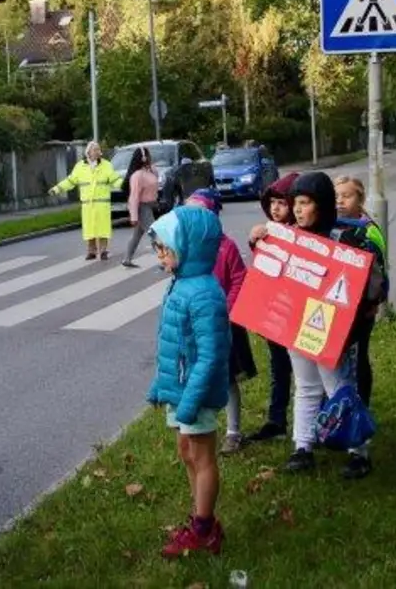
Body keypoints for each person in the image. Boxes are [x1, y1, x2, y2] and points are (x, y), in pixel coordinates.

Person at [144, 205, 231, 558]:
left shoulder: (205, 294)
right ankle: (199, 513)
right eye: (158, 249)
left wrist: (192, 400)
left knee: (202, 454)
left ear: (189, 247)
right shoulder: (180, 284)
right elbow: (171, 345)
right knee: (186, 452)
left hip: (196, 393)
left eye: (165, 248)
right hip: (181, 390)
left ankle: (205, 527)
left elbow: (210, 355)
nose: (160, 255)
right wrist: (159, 387)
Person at [281, 171, 379, 479]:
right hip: (297, 322)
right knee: (306, 385)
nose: (298, 210)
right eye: (295, 203)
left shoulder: (348, 237)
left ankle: (358, 450)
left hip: (331, 327)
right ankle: (303, 445)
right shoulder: (290, 237)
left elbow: (370, 284)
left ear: (320, 205)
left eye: (305, 203)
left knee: (339, 386)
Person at [184, 189, 255, 455]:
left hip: (223, 324)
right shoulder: (186, 247)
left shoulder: (226, 246)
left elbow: (239, 278)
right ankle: (202, 428)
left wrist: (226, 309)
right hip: (196, 324)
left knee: (227, 379)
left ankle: (233, 432)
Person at [242, 171, 299, 442]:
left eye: (282, 203)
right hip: (277, 313)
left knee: (305, 372)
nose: (276, 208)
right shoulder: (268, 231)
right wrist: (255, 243)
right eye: (272, 203)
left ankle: (311, 421)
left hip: (298, 313)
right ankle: (277, 420)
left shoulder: (303, 233)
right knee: (279, 368)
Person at [331, 176, 389, 410]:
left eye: (347, 196)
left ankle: (361, 405)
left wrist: (373, 301)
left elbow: (378, 272)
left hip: (363, 307)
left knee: (359, 354)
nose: (340, 201)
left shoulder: (369, 231)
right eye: (336, 196)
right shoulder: (331, 226)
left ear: (361, 198)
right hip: (335, 302)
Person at [49, 141, 120, 260]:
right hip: (88, 205)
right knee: (89, 229)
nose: (97, 152)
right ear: (88, 152)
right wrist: (57, 189)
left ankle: (103, 251)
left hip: (102, 204)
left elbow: (115, 179)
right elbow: (70, 181)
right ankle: (91, 251)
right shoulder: (80, 167)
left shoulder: (106, 165)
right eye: (95, 150)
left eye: (98, 149)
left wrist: (126, 185)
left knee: (103, 228)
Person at [121, 147, 160, 268]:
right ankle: (165, 258)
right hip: (142, 207)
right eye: (148, 155)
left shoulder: (151, 171)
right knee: (156, 233)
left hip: (150, 205)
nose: (150, 157)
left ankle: (127, 259)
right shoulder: (137, 176)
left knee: (137, 234)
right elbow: (134, 197)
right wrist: (134, 216)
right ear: (143, 157)